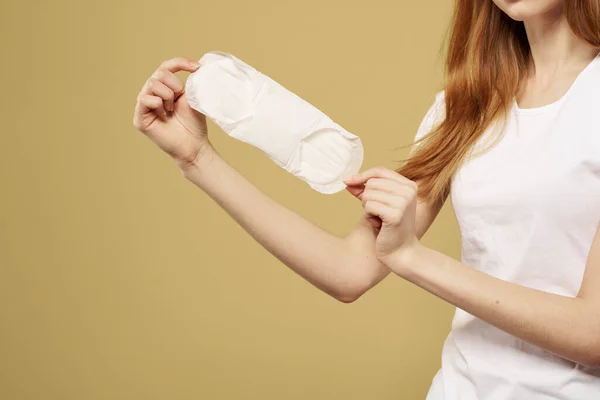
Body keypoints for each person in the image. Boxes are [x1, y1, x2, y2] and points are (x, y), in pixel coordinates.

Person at [132, 0, 600, 398]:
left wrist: (412, 258)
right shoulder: (465, 106)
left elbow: (592, 332)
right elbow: (349, 271)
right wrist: (197, 159)